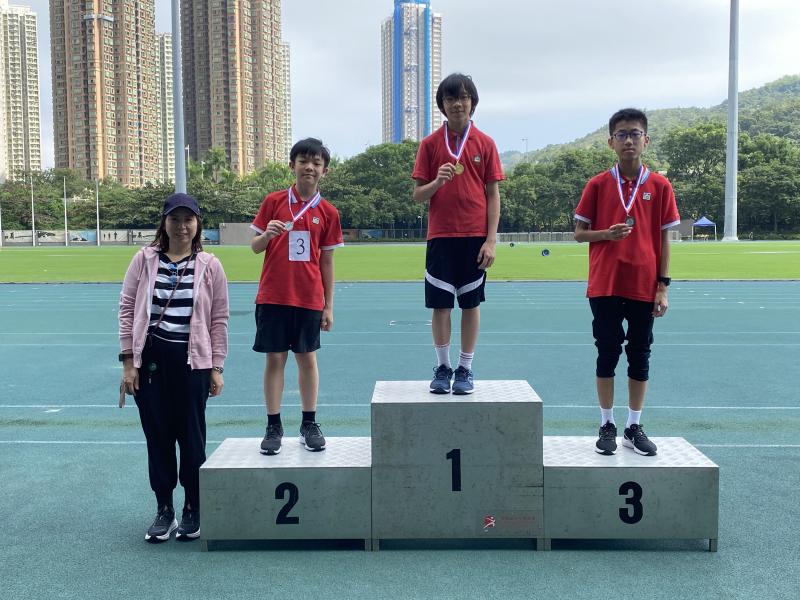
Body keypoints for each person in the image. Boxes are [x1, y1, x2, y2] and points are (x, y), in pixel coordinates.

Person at [118, 193, 229, 542]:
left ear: (198, 225)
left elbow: (219, 318)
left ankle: (193, 507)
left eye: (189, 219)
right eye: (175, 219)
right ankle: (164, 509)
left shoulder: (210, 265)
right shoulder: (145, 260)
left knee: (192, 440)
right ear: (164, 222)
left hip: (193, 362)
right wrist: (128, 362)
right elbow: (126, 308)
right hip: (151, 362)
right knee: (159, 438)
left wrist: (216, 367)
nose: (182, 226)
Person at [574, 108, 680, 456]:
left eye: (635, 133)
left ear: (646, 140)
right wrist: (607, 233)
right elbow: (579, 234)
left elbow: (664, 240)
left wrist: (662, 285)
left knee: (640, 355)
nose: (629, 140)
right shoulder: (598, 184)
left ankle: (634, 426)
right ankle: (607, 423)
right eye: (622, 134)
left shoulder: (660, 186)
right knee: (606, 354)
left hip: (643, 285)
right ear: (610, 142)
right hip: (605, 283)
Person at [250, 138, 344, 455]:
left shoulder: (328, 213)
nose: (309, 166)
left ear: (324, 171)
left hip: (308, 298)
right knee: (275, 359)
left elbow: (327, 261)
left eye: (316, 162)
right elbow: (255, 247)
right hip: (273, 295)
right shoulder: (274, 202)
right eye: (303, 160)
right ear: (292, 165)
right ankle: (273, 425)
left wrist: (328, 305)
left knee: (307, 359)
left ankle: (308, 423)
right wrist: (268, 234)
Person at [412, 73, 504, 395]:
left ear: (472, 103)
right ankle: (442, 366)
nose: (457, 103)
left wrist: (491, 240)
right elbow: (417, 195)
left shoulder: (486, 144)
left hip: (475, 237)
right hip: (441, 237)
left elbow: (493, 195)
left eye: (463, 97)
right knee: (440, 305)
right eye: (450, 98)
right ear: (443, 105)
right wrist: (436, 182)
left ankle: (465, 368)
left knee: (470, 304)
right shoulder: (429, 145)